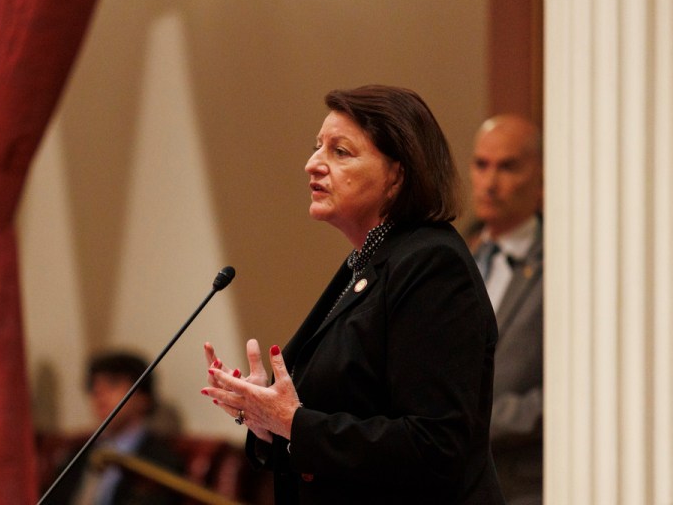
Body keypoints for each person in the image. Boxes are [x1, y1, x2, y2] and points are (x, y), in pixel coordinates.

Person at [201, 85, 505, 504]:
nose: (313, 164)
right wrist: (263, 416)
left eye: (340, 152)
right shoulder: (369, 262)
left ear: (398, 173)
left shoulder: (432, 265)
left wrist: (293, 423)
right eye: (317, 148)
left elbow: (434, 445)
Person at [468, 114, 543, 505]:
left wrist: (478, 419)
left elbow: (574, 392)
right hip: (456, 482)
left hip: (525, 484)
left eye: (508, 166)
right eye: (481, 165)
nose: (490, 182)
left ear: (542, 176)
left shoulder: (563, 266)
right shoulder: (459, 256)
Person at [45, 351, 184, 505]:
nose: (99, 392)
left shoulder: (160, 459)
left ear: (142, 397)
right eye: (93, 386)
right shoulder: (78, 452)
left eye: (112, 383)